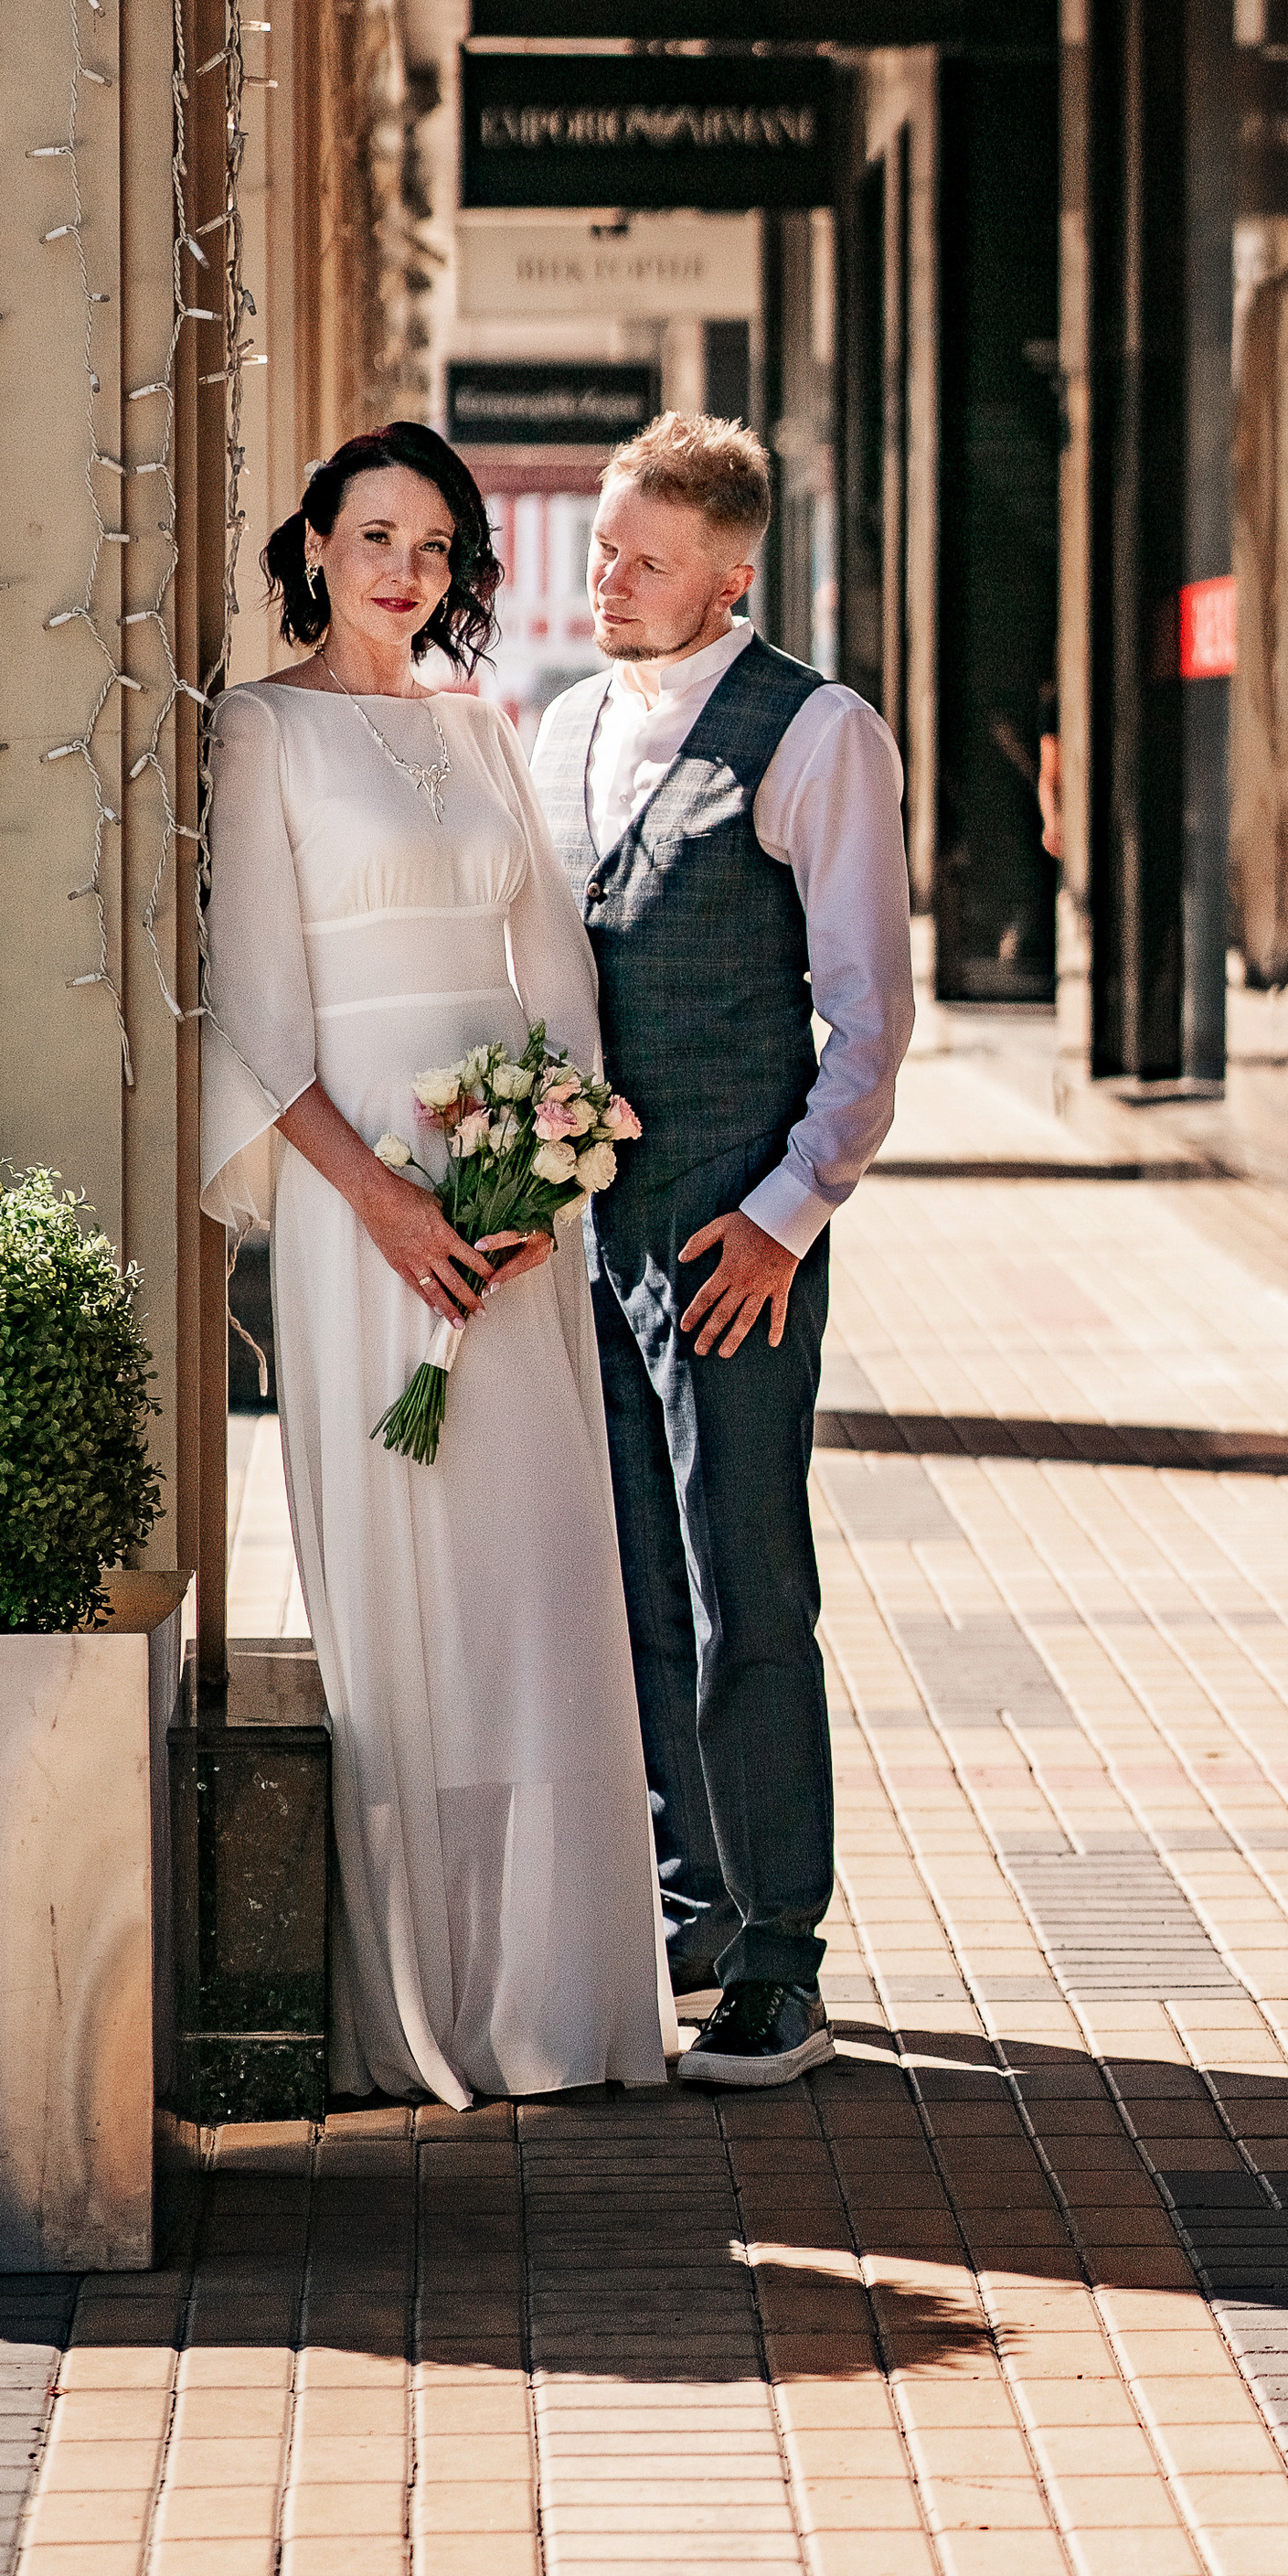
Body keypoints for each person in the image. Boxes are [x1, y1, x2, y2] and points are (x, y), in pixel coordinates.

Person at [200, 420, 670, 2108]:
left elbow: (553, 981)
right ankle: (426, 2002)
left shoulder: (488, 731)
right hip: (363, 1225)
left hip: (514, 1227)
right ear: (315, 546)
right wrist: (391, 1210)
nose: (405, 567)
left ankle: (561, 1997)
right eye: (374, 533)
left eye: (436, 542)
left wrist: (554, 1168)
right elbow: (253, 1026)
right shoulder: (260, 730)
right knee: (411, 1610)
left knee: (538, 1597)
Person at [531, 412, 912, 2089]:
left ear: (730, 577)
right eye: (606, 549)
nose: (609, 581)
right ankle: (688, 1907)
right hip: (583, 1236)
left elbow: (872, 1022)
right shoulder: (555, 733)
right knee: (631, 1579)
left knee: (747, 1580)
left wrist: (785, 1216)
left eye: (646, 560)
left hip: (735, 1232)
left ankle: (781, 1959)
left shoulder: (818, 735)